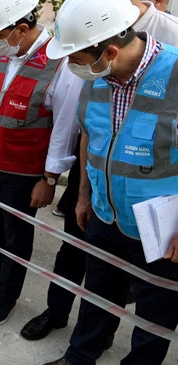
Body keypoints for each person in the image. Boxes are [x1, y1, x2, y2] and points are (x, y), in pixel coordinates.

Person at [21, 0, 178, 343]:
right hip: (104, 218)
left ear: (109, 51)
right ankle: (81, 354)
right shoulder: (97, 75)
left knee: (153, 316)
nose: (70, 68)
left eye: (75, 60)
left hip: (162, 229)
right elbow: (89, 133)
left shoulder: (175, 73)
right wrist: (82, 196)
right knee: (98, 298)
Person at [0, 0, 82, 329]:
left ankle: (5, 296)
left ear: (21, 30)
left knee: (15, 237)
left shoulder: (58, 63)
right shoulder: (2, 53)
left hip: (25, 173)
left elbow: (65, 128)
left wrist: (50, 178)